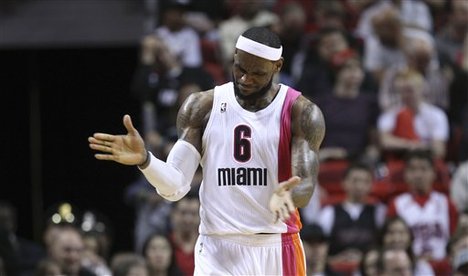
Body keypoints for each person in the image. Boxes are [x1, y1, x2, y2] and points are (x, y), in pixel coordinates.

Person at [89, 26, 325, 275]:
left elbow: (305, 187)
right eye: (241, 69)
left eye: (257, 73)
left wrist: (289, 196)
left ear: (278, 66)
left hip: (276, 246)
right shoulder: (202, 106)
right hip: (217, 247)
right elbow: (175, 188)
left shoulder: (302, 112)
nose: (246, 79)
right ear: (233, 55)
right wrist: (146, 160)